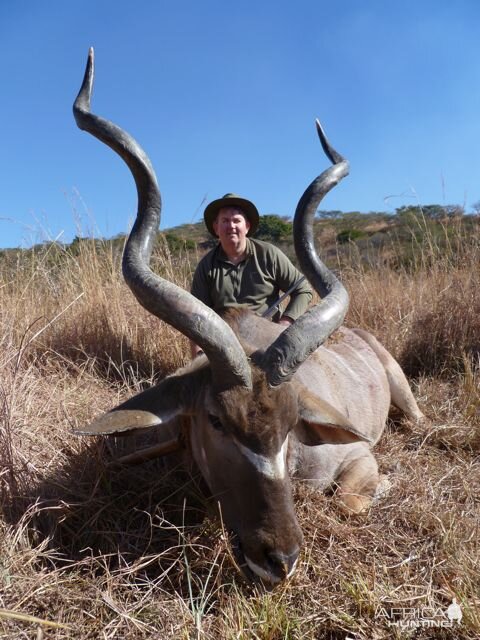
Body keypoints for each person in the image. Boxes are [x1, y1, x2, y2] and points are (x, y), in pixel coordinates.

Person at [190, 193, 312, 356]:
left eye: (236, 221)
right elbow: (197, 316)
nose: (231, 226)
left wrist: (285, 323)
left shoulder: (269, 254)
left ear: (246, 226)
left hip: (268, 343)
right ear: (216, 227)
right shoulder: (206, 265)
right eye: (225, 221)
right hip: (224, 346)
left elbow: (303, 290)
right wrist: (198, 355)